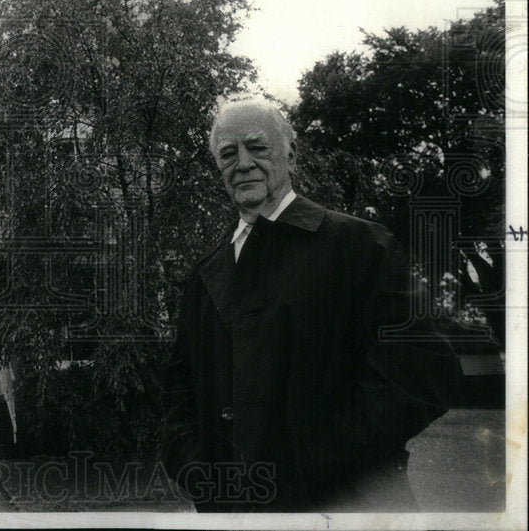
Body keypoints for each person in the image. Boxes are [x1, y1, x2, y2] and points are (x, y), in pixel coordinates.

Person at [160, 97, 461, 512]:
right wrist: (199, 473)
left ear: (291, 155)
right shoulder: (205, 273)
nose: (243, 162)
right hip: (232, 511)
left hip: (345, 504)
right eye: (228, 153)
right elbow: (180, 391)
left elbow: (423, 369)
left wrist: (317, 461)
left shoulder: (359, 245)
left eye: (257, 147)